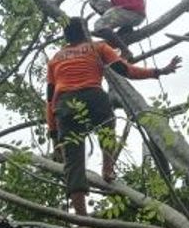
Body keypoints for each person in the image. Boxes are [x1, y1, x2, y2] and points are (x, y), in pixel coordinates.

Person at [46, 17, 181, 216]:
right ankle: (108, 169)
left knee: (73, 161)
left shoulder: (55, 58)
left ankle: (82, 217)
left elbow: (49, 100)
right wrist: (158, 71)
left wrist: (54, 133)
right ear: (84, 32)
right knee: (107, 124)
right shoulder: (98, 48)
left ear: (66, 36)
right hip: (93, 97)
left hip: (65, 104)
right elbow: (125, 70)